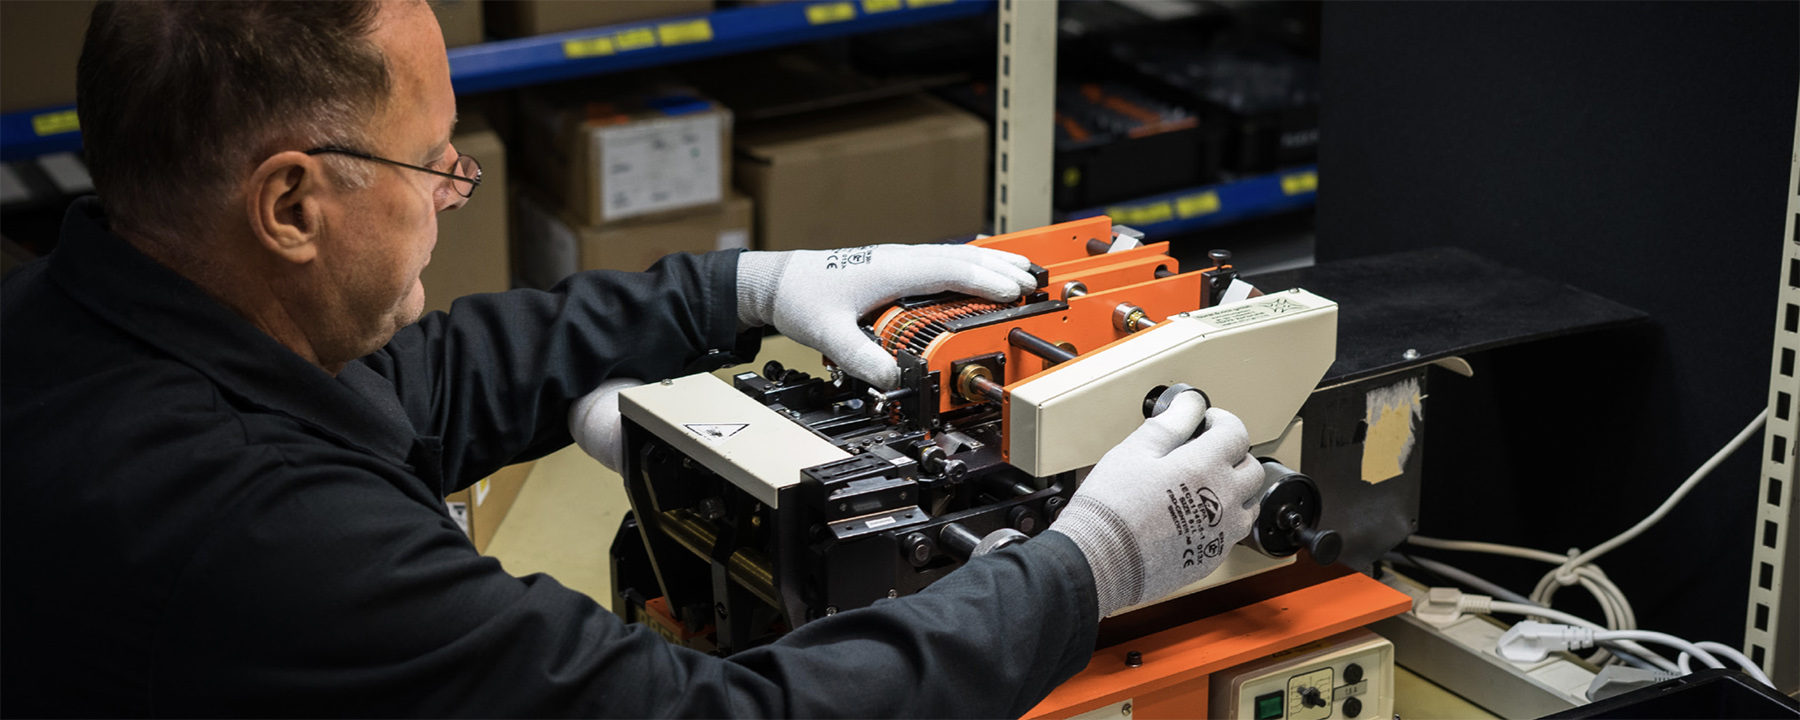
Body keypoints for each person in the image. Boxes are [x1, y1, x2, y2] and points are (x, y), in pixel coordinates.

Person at [0, 1, 1265, 716]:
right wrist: (1086, 568)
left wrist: (745, 288)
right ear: (290, 206)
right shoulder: (256, 530)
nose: (453, 187)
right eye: (433, 162)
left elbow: (430, 376)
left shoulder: (95, 311)